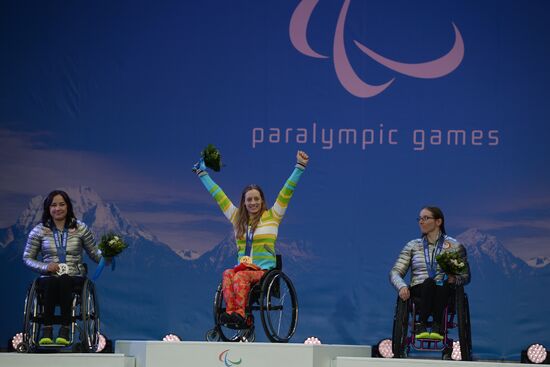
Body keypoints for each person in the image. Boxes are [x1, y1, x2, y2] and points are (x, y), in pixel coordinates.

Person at [194, 150, 309, 326]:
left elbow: (287, 191)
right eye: (249, 200)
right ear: (244, 202)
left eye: (256, 199)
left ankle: (242, 315)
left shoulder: (273, 216)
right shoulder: (237, 218)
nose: (253, 202)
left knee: (240, 278)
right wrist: (202, 174)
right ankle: (232, 313)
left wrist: (299, 167)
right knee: (227, 273)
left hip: (263, 272)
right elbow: (219, 196)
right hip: (243, 268)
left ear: (262, 200)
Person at [22, 190, 104, 346]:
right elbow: (27, 258)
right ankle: (46, 330)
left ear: (68, 207)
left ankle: (65, 330)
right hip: (49, 277)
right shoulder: (39, 231)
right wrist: (46, 266)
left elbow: (94, 252)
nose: (57, 208)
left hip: (75, 277)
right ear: (48, 208)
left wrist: (107, 255)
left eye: (61, 204)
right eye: (53, 205)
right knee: (53, 281)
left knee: (65, 280)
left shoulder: (81, 228)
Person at [389, 206, 470, 340]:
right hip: (419, 290)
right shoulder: (413, 246)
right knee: (428, 282)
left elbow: (465, 277)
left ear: (438, 222)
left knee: (441, 285)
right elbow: (395, 272)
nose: (421, 222)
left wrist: (454, 279)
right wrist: (401, 286)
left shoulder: (453, 246)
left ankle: (437, 326)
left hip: (444, 290)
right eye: (419, 219)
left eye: (425, 218)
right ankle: (422, 324)